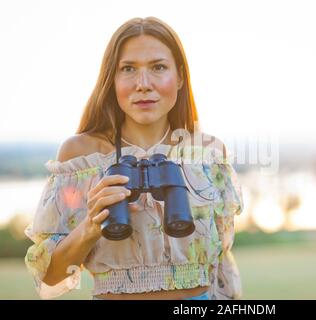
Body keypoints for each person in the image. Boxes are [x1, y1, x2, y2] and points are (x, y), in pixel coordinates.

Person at [24, 17, 244, 300]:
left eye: (158, 67)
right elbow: (51, 276)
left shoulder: (208, 154)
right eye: (128, 69)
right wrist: (90, 226)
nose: (143, 84)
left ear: (179, 77)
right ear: (112, 80)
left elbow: (221, 265)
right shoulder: (81, 157)